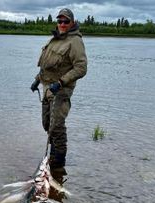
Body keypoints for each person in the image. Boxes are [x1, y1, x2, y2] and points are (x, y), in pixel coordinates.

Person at [31, 8, 87, 177]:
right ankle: (54, 161)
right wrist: (37, 80)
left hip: (61, 90)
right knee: (47, 124)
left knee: (56, 126)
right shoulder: (55, 39)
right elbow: (46, 66)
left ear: (72, 22)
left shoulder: (75, 41)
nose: (62, 24)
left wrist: (61, 82)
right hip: (47, 88)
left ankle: (57, 164)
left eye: (66, 21)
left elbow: (81, 68)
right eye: (60, 21)